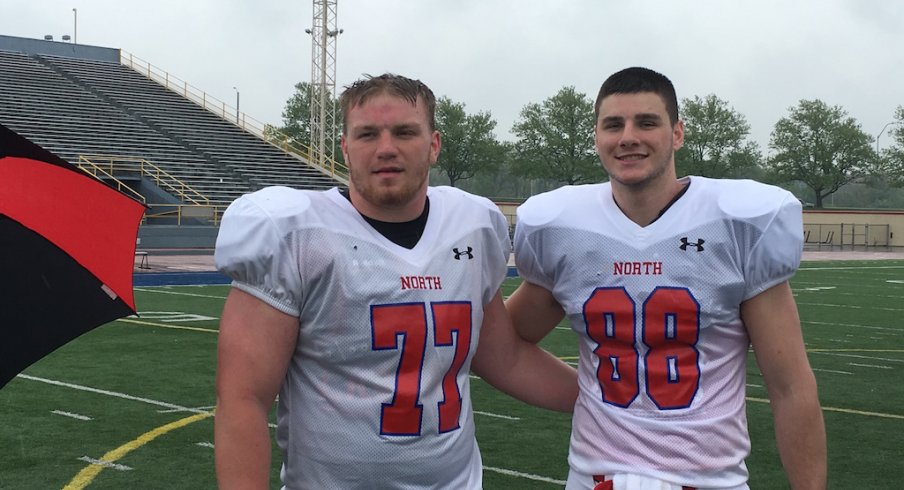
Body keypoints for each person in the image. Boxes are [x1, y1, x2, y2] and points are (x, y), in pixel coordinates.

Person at [213, 73, 577, 489]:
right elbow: (243, 400)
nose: (386, 148)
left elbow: (503, 357)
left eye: (405, 132)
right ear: (345, 148)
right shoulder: (296, 234)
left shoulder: (473, 225)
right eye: (367, 134)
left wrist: (606, 400)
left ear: (434, 144)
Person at [506, 67, 826, 490]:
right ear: (597, 137)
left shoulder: (736, 225)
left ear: (677, 134)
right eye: (614, 125)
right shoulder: (566, 228)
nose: (628, 137)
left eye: (647, 122)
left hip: (708, 479)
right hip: (593, 477)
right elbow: (506, 343)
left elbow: (791, 387)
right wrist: (584, 394)